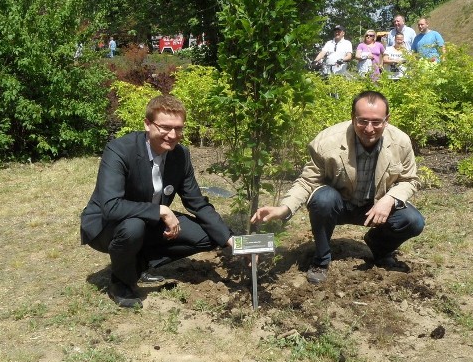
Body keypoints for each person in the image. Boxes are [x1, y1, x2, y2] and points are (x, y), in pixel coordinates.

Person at [250, 90, 425, 285]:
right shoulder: (327, 142)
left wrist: (389, 200)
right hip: (338, 206)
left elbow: (410, 180)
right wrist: (284, 208)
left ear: (386, 120)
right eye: (362, 121)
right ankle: (321, 260)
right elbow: (307, 181)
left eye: (376, 122)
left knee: (413, 220)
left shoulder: (400, 142)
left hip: (376, 208)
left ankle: (380, 247)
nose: (369, 129)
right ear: (352, 118)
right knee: (323, 199)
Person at [80, 95, 235, 308]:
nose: (173, 135)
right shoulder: (119, 150)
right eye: (165, 127)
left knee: (209, 236)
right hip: (105, 226)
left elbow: (197, 203)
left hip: (147, 221)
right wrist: (160, 210)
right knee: (133, 227)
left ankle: (135, 266)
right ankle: (121, 283)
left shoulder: (180, 156)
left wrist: (231, 240)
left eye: (178, 128)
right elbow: (110, 206)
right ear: (147, 124)